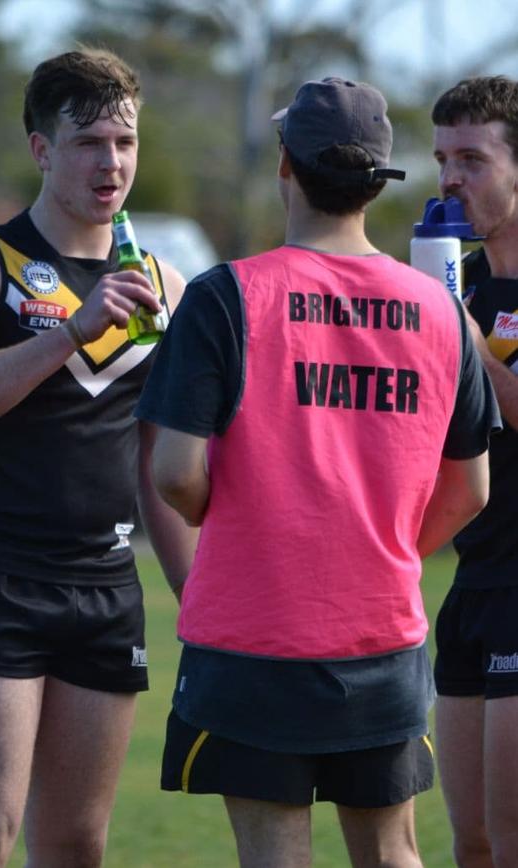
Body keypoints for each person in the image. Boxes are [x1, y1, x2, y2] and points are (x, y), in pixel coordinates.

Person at [135, 76, 500, 868]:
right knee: (393, 853)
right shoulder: (441, 310)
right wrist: (392, 542)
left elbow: (172, 474)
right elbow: (471, 489)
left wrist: (234, 515)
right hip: (383, 636)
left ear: (286, 168)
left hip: (252, 635)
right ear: (378, 181)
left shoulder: (226, 294)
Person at [0, 46, 196, 868]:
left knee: (75, 844)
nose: (110, 162)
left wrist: (199, 601)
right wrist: (74, 329)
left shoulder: (163, 285)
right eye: (87, 142)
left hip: (105, 585)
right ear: (41, 149)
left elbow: (159, 464)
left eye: (124, 142)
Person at [431, 76, 518, 868]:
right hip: (470, 586)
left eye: (473, 159)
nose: (452, 179)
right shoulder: (457, 289)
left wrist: (468, 345)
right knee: (475, 845)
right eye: (441, 160)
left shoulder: (464, 310)